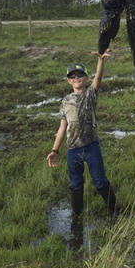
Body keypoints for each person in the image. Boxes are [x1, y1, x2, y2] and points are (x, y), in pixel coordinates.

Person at [46, 50, 118, 220]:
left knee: (100, 182)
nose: (77, 78)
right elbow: (62, 127)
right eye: (73, 76)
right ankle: (77, 216)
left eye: (80, 75)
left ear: (85, 78)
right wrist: (55, 150)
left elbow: (98, 79)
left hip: (92, 146)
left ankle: (114, 212)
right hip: (73, 150)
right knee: (76, 185)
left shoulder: (91, 95)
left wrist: (101, 61)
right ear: (68, 80)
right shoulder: (65, 101)